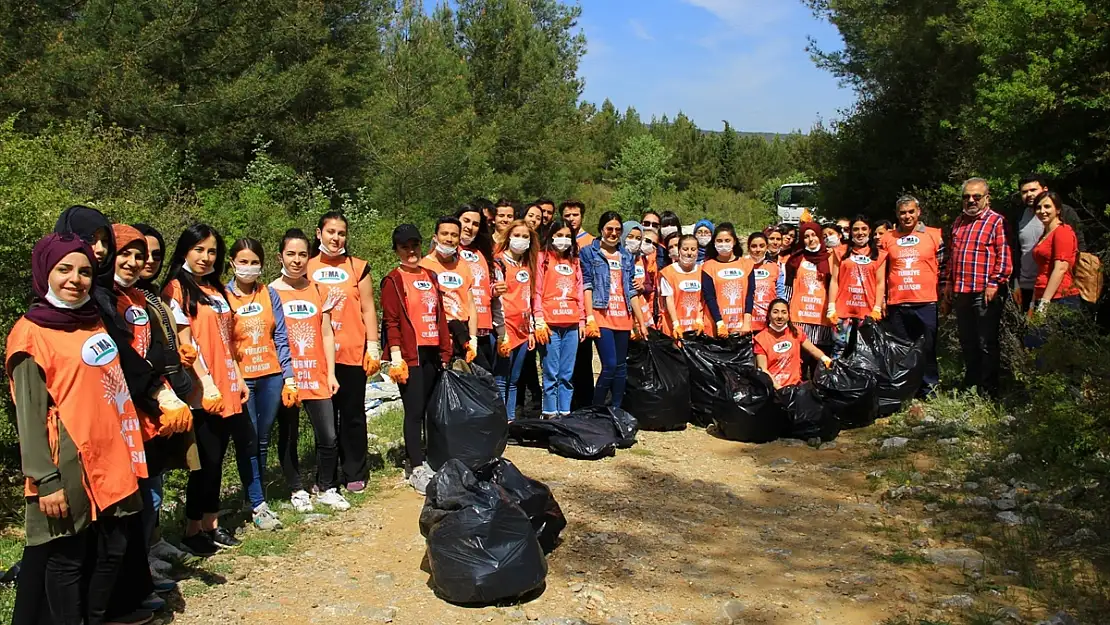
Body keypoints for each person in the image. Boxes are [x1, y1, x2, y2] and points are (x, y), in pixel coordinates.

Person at [8, 233, 146, 625]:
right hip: (68, 461)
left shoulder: (92, 320)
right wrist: (45, 480)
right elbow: (29, 416)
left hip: (114, 454)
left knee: (113, 548)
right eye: (64, 269)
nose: (76, 279)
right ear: (44, 273)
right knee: (67, 558)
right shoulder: (30, 334)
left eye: (85, 271)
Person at [56, 207, 163, 620]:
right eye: (98, 243)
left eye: (106, 242)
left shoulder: (115, 296)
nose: (100, 251)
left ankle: (129, 593)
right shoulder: (83, 303)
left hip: (128, 416)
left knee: (129, 513)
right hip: (88, 429)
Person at [112, 225, 193, 602]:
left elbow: (158, 346)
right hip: (126, 408)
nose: (135, 262)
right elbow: (122, 357)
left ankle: (142, 563)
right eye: (125, 253)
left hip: (153, 406)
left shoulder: (141, 299)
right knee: (134, 496)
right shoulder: (102, 300)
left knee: (151, 490)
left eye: (141, 255)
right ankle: (132, 577)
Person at [162, 224, 254, 557]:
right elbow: (186, 343)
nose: (205, 257)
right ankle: (192, 529)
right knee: (204, 461)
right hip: (201, 390)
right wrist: (208, 383)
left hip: (227, 383)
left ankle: (212, 524)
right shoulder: (175, 290)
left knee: (217, 459)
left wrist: (238, 378)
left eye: (212, 251)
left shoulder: (216, 290)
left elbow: (227, 341)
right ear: (185, 250)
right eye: (199, 249)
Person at [132, 223, 197, 572]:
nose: (149, 260)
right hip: (141, 399)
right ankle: (141, 557)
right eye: (142, 253)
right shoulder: (118, 298)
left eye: (156, 254)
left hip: (166, 393)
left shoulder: (151, 295)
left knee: (156, 476)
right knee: (144, 482)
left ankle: (153, 542)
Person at [272, 229, 348, 512]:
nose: (296, 260)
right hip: (288, 377)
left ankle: (326, 486)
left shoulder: (318, 290)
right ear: (281, 256)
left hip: (316, 373)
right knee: (289, 435)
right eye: (291, 254)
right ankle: (296, 489)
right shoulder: (271, 292)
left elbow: (327, 333)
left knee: (328, 435)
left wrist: (330, 373)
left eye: (302, 254)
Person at [308, 211, 380, 493]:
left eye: (341, 233)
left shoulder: (357, 267)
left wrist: (372, 346)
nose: (336, 238)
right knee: (324, 419)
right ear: (319, 234)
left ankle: (354, 471)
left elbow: (368, 308)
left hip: (352, 352)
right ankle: (326, 474)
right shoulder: (307, 266)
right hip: (317, 356)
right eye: (331, 232)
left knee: (352, 415)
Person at [225, 238, 293, 530]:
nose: (249, 268)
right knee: (247, 439)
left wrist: (288, 375)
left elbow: (280, 336)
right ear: (231, 263)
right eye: (243, 261)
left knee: (262, 438)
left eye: (254, 262)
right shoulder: (223, 296)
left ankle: (255, 494)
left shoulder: (269, 293)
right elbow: (223, 341)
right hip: (242, 378)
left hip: (271, 375)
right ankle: (256, 503)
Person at [380, 225, 452, 494]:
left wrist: (445, 351)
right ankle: (416, 465)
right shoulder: (393, 280)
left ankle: (431, 457)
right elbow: (392, 321)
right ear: (396, 249)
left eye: (414, 245)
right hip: (410, 354)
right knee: (414, 411)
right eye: (404, 246)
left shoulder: (431, 276)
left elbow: (440, 315)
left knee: (432, 410)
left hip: (433, 350)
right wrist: (396, 357)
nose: (411, 251)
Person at [942, 177, 1012, 398]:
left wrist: (994, 283)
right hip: (961, 290)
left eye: (976, 196)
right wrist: (948, 284)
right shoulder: (958, 223)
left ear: (986, 198)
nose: (971, 200)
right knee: (968, 341)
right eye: (966, 197)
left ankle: (989, 389)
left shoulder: (996, 221)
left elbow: (1004, 257)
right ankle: (971, 383)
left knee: (986, 343)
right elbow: (953, 256)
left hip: (984, 291)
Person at [581, 213, 648, 408]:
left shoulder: (626, 256)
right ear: (601, 229)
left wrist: (641, 322)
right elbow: (587, 285)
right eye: (609, 229)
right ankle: (597, 408)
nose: (613, 233)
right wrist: (590, 317)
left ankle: (616, 409)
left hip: (623, 317)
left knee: (621, 367)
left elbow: (631, 290)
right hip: (602, 316)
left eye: (617, 230)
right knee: (609, 365)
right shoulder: (589, 252)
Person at [880, 195, 943, 395]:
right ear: (897, 215)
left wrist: (944, 294)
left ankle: (930, 388)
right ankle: (906, 390)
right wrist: (880, 299)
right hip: (897, 302)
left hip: (925, 301)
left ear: (918, 212)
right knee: (902, 350)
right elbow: (880, 272)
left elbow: (943, 268)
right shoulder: (887, 238)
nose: (907, 216)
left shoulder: (934, 235)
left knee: (927, 347)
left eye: (910, 212)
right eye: (902, 213)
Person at [1007, 174, 1085, 313]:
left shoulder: (1064, 216)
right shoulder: (1020, 217)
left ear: (1044, 189)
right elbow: (1017, 251)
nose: (1029, 194)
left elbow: (1078, 249)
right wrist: (1016, 283)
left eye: (1033, 190)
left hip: (1059, 291)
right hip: (1031, 288)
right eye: (1024, 192)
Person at [533, 220, 584, 418]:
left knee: (567, 373)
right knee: (551, 372)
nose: (563, 240)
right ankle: (549, 412)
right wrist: (538, 318)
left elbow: (579, 291)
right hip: (549, 323)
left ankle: (565, 412)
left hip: (571, 324)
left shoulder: (574, 261)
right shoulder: (542, 258)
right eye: (559, 235)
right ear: (551, 236)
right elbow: (536, 290)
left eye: (567, 236)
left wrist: (581, 320)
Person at [419, 216, 479, 363]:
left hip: (462, 335)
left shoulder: (463, 266)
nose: (449, 239)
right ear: (435, 237)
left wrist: (473, 338)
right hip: (436, 334)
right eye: (444, 234)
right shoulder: (423, 266)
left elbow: (471, 305)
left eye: (454, 235)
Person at [493, 220, 537, 420]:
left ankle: (510, 419)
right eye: (517, 235)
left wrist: (531, 329)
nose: (521, 240)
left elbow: (529, 297)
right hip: (505, 328)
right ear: (509, 236)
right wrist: (501, 330)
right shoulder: (499, 261)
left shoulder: (529, 264)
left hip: (523, 329)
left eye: (525, 236)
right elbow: (497, 299)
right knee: (501, 378)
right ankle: (500, 420)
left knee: (515, 379)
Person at [827, 217, 887, 358]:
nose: (860, 233)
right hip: (842, 312)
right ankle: (837, 380)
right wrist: (831, 307)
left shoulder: (879, 254)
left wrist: (877, 308)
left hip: (867, 313)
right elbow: (834, 280)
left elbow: (880, 283)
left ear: (870, 231)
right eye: (856, 229)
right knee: (839, 351)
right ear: (851, 232)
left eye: (864, 229)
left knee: (865, 353)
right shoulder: (840, 251)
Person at [456, 204, 502, 370]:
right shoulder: (449, 252)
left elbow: (483, 286)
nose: (470, 227)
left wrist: (494, 291)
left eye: (475, 224)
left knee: (485, 381)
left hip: (484, 327)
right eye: (466, 221)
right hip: (460, 329)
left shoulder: (482, 252)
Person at [755, 299, 833, 389]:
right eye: (775, 312)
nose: (780, 316)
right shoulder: (760, 339)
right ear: (769, 315)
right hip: (774, 389)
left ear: (788, 316)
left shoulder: (796, 332)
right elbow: (763, 369)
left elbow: (813, 350)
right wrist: (779, 388)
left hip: (796, 387)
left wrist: (825, 359)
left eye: (784, 312)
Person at [785, 222, 834, 353]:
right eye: (806, 236)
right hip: (799, 318)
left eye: (814, 235)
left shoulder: (830, 258)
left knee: (820, 363)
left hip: (822, 320)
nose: (811, 239)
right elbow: (788, 289)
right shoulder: (795, 260)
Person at [1030, 190, 1082, 313]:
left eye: (1047, 206)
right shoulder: (1045, 234)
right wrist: (1033, 303)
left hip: (1061, 298)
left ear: (1058, 210)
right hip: (1043, 295)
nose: (1042, 211)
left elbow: (1061, 268)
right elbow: (1042, 271)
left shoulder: (1062, 232)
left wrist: (1045, 303)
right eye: (1038, 207)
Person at [702, 223, 754, 336]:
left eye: (727, 240)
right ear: (714, 242)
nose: (723, 244)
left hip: (740, 327)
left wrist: (746, 323)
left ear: (734, 241)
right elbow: (709, 297)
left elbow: (750, 295)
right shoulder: (708, 266)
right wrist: (719, 323)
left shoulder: (747, 264)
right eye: (719, 241)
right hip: (716, 327)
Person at [660, 235, 707, 337]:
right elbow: (669, 300)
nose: (689, 253)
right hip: (674, 326)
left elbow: (703, 299)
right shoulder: (668, 273)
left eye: (693, 249)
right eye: (685, 249)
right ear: (679, 250)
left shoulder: (703, 272)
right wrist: (675, 324)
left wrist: (699, 318)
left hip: (695, 327)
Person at [747, 232, 787, 331]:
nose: (757, 250)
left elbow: (781, 295)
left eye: (761, 246)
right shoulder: (741, 267)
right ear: (748, 248)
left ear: (766, 247)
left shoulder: (775, 268)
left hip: (769, 323)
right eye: (754, 246)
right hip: (747, 323)